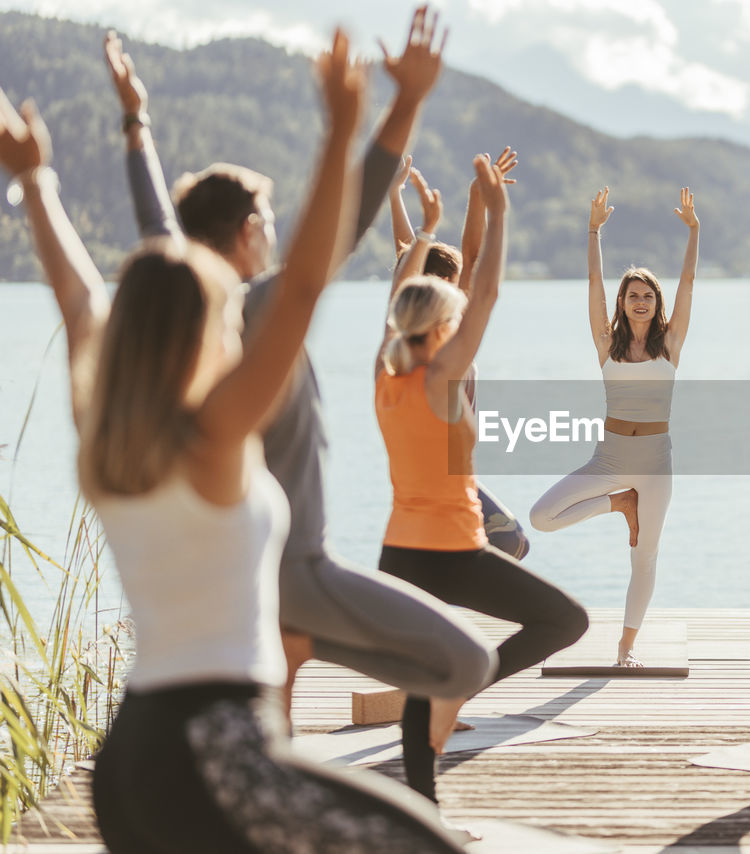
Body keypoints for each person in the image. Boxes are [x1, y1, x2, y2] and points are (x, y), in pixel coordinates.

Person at [2, 32, 468, 852]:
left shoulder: (105, 434)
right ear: (196, 336)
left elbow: (78, 299)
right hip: (218, 747)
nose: (235, 324)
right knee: (424, 845)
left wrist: (36, 181)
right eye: (222, 317)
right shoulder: (214, 437)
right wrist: (348, 123)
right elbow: (309, 283)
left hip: (134, 755)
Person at [104, 8, 496, 729]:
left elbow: (156, 222)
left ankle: (288, 684)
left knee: (271, 738)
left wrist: (137, 124)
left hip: (235, 574)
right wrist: (401, 106)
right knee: (467, 663)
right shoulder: (257, 308)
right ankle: (310, 651)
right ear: (251, 232)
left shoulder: (179, 306)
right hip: (297, 567)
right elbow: (342, 229)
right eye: (271, 219)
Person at [375, 154, 589, 803]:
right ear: (442, 325)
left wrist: (422, 231)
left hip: (400, 552)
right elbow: (486, 291)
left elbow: (409, 290)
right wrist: (497, 211)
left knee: (420, 689)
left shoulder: (383, 374)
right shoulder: (442, 380)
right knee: (564, 621)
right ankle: (460, 685)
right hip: (453, 550)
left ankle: (422, 808)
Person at [528, 186, 699, 667]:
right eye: (631, 296)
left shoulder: (671, 345)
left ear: (656, 302)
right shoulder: (606, 343)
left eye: (647, 296)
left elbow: (688, 282)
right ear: (621, 303)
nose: (639, 302)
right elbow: (591, 282)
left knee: (644, 558)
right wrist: (593, 231)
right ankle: (616, 503)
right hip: (609, 458)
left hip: (655, 463)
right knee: (541, 517)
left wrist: (694, 231)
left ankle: (626, 647)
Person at [389, 152, 529, 559]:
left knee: (494, 543)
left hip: (436, 471)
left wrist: (397, 196)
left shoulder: (407, 334)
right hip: (439, 475)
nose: (459, 289)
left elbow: (405, 259)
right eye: (453, 282)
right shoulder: (444, 343)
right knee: (510, 541)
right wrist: (482, 200)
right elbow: (470, 254)